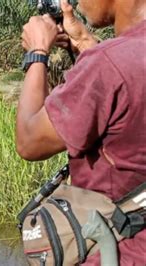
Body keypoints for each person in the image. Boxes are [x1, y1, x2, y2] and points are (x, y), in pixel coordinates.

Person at [16, 0, 145, 265]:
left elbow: (29, 141)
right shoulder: (119, 59)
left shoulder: (108, 63)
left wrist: (37, 53)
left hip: (119, 251)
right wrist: (87, 44)